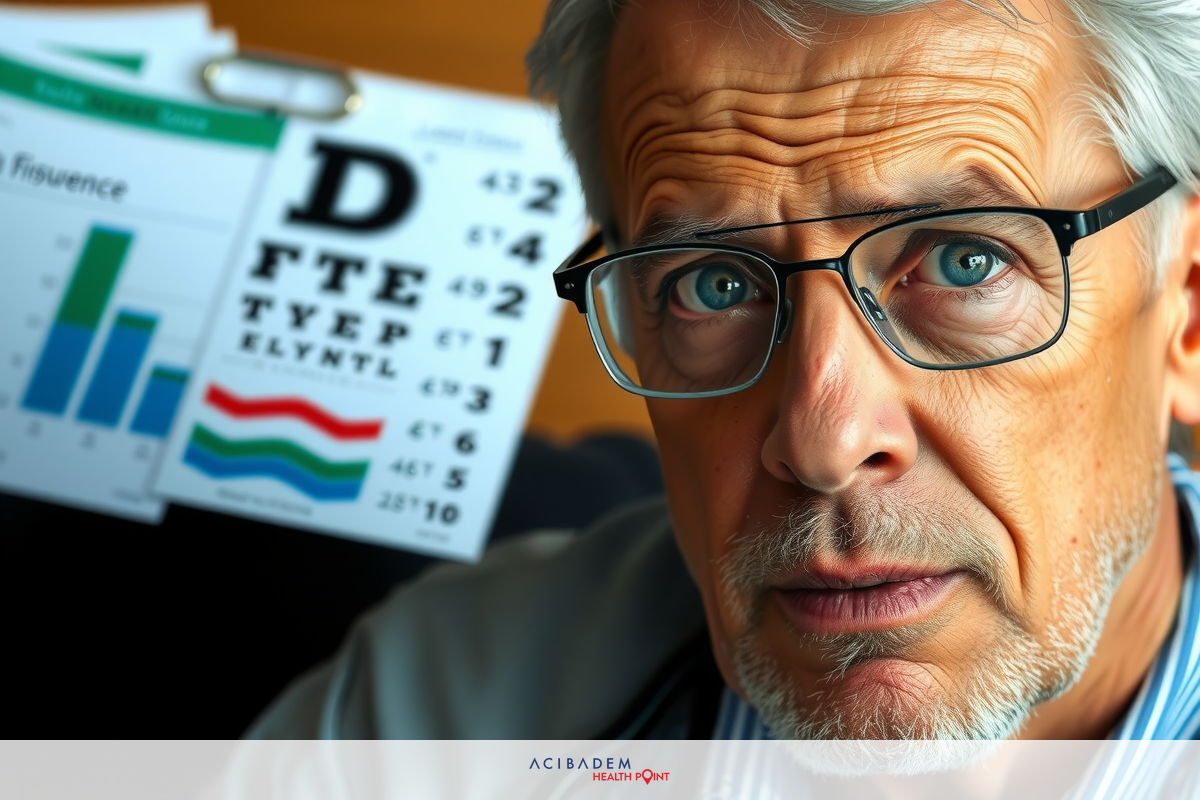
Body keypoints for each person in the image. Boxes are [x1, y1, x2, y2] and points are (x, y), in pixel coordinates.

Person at [247, 0, 1200, 741]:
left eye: (963, 262)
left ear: (1187, 309)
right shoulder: (443, 706)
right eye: (709, 285)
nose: (824, 442)